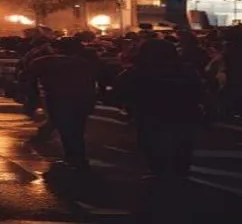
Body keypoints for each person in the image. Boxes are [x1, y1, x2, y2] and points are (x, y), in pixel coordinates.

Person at [118, 39, 204, 179]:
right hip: (182, 112)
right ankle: (180, 172)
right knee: (182, 143)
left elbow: (123, 90)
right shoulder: (185, 69)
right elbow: (199, 90)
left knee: (152, 143)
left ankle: (159, 172)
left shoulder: (138, 71)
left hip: (150, 114)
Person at [27, 38, 99, 172]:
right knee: (77, 129)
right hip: (82, 98)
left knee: (65, 128)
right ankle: (78, 157)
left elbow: (30, 78)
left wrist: (32, 98)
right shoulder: (86, 63)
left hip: (57, 98)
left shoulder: (44, 62)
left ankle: (73, 158)